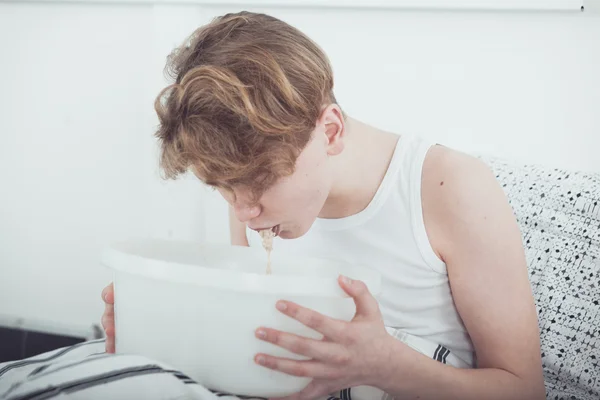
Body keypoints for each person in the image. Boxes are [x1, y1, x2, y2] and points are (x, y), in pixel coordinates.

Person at [101, 11, 545, 400]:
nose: (242, 213)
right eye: (221, 186)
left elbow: (525, 390)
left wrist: (388, 366)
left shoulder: (451, 187)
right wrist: (167, 342)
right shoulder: (252, 203)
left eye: (258, 183)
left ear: (329, 132)